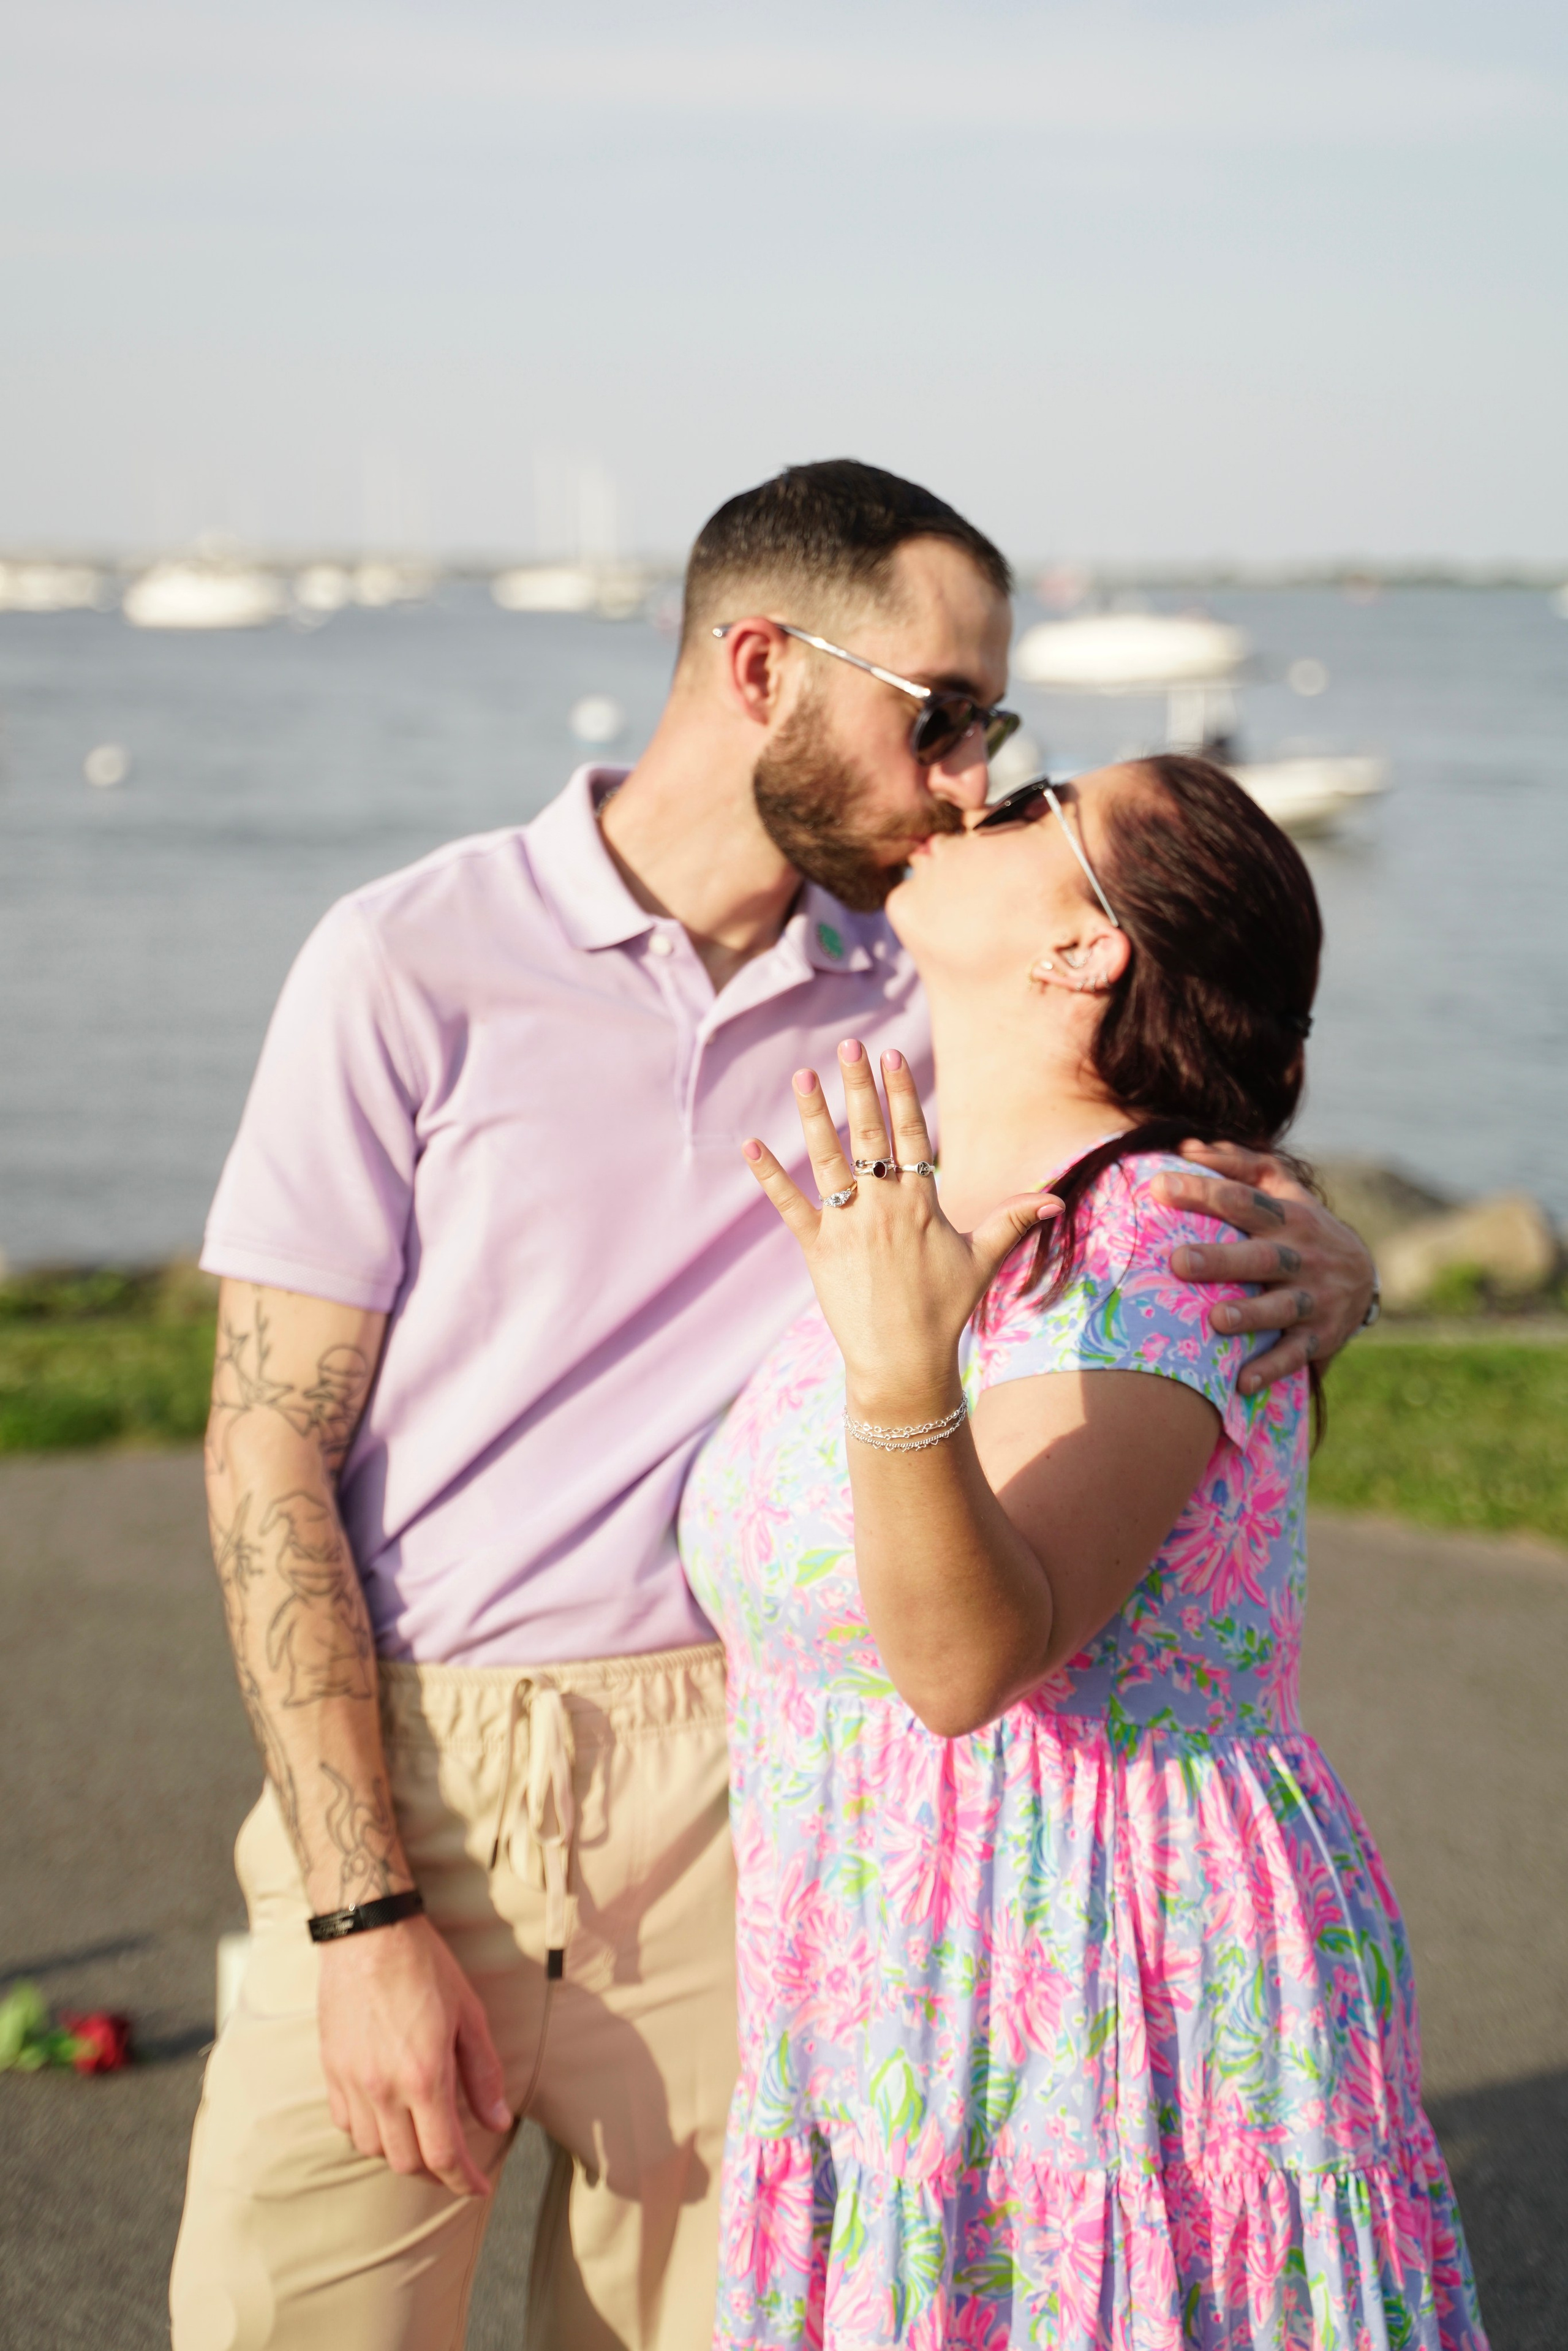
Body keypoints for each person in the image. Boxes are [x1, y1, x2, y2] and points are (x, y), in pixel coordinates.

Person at [170, 464, 1376, 2351]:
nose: (975, 774)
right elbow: (265, 1443)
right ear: (761, 667)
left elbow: (1143, 1117)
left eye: (1000, 731)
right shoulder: (407, 962)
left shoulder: (921, 988)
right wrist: (356, 1909)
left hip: (771, 1798)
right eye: (944, 717)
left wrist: (1333, 1258)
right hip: (432, 1767)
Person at [680, 755, 1485, 2349]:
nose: (971, 797)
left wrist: (906, 1377)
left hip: (1100, 1991)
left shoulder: (1156, 1239)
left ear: (1085, 948)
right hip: (895, 1989)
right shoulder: (939, 1200)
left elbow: (974, 1657)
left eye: (1033, 796)